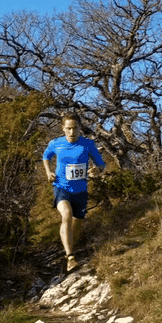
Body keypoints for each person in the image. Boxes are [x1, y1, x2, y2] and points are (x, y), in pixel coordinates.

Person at [42, 113, 106, 272]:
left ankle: (69, 250)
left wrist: (97, 170)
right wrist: (48, 172)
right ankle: (70, 257)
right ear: (63, 129)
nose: (72, 132)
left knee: (76, 224)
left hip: (81, 191)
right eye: (68, 128)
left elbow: (101, 164)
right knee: (66, 215)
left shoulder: (88, 144)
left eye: (75, 128)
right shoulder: (56, 143)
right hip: (61, 187)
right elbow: (46, 156)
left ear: (79, 128)